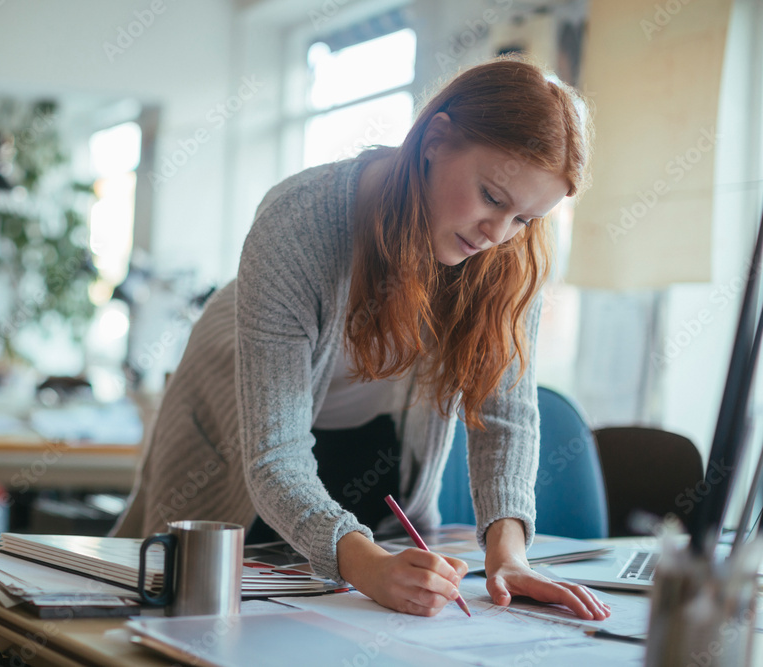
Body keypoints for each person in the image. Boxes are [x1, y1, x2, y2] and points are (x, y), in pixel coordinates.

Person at [114, 56, 610, 621]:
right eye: (492, 198)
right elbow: (274, 453)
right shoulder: (299, 220)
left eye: (526, 218)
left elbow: (504, 413)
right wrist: (365, 566)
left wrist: (509, 555)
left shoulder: (507, 253)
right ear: (436, 139)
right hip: (242, 442)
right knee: (200, 610)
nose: (498, 234)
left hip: (373, 438)